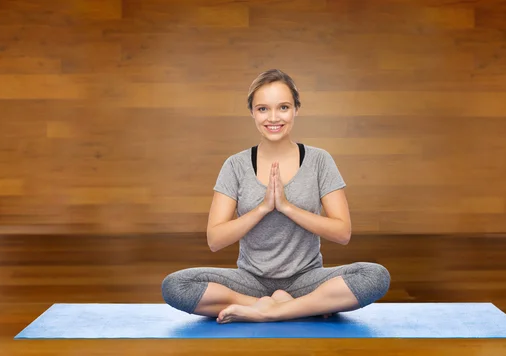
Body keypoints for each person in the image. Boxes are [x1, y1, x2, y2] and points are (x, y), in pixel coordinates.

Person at [161, 69, 390, 324]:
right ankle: (286, 307)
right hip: (250, 282)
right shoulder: (235, 165)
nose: (273, 117)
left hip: (306, 279)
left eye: (283, 107)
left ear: (296, 110)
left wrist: (287, 207)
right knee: (176, 285)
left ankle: (271, 311)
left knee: (374, 276)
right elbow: (215, 239)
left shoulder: (319, 161)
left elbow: (342, 232)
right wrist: (263, 208)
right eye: (262, 109)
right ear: (252, 112)